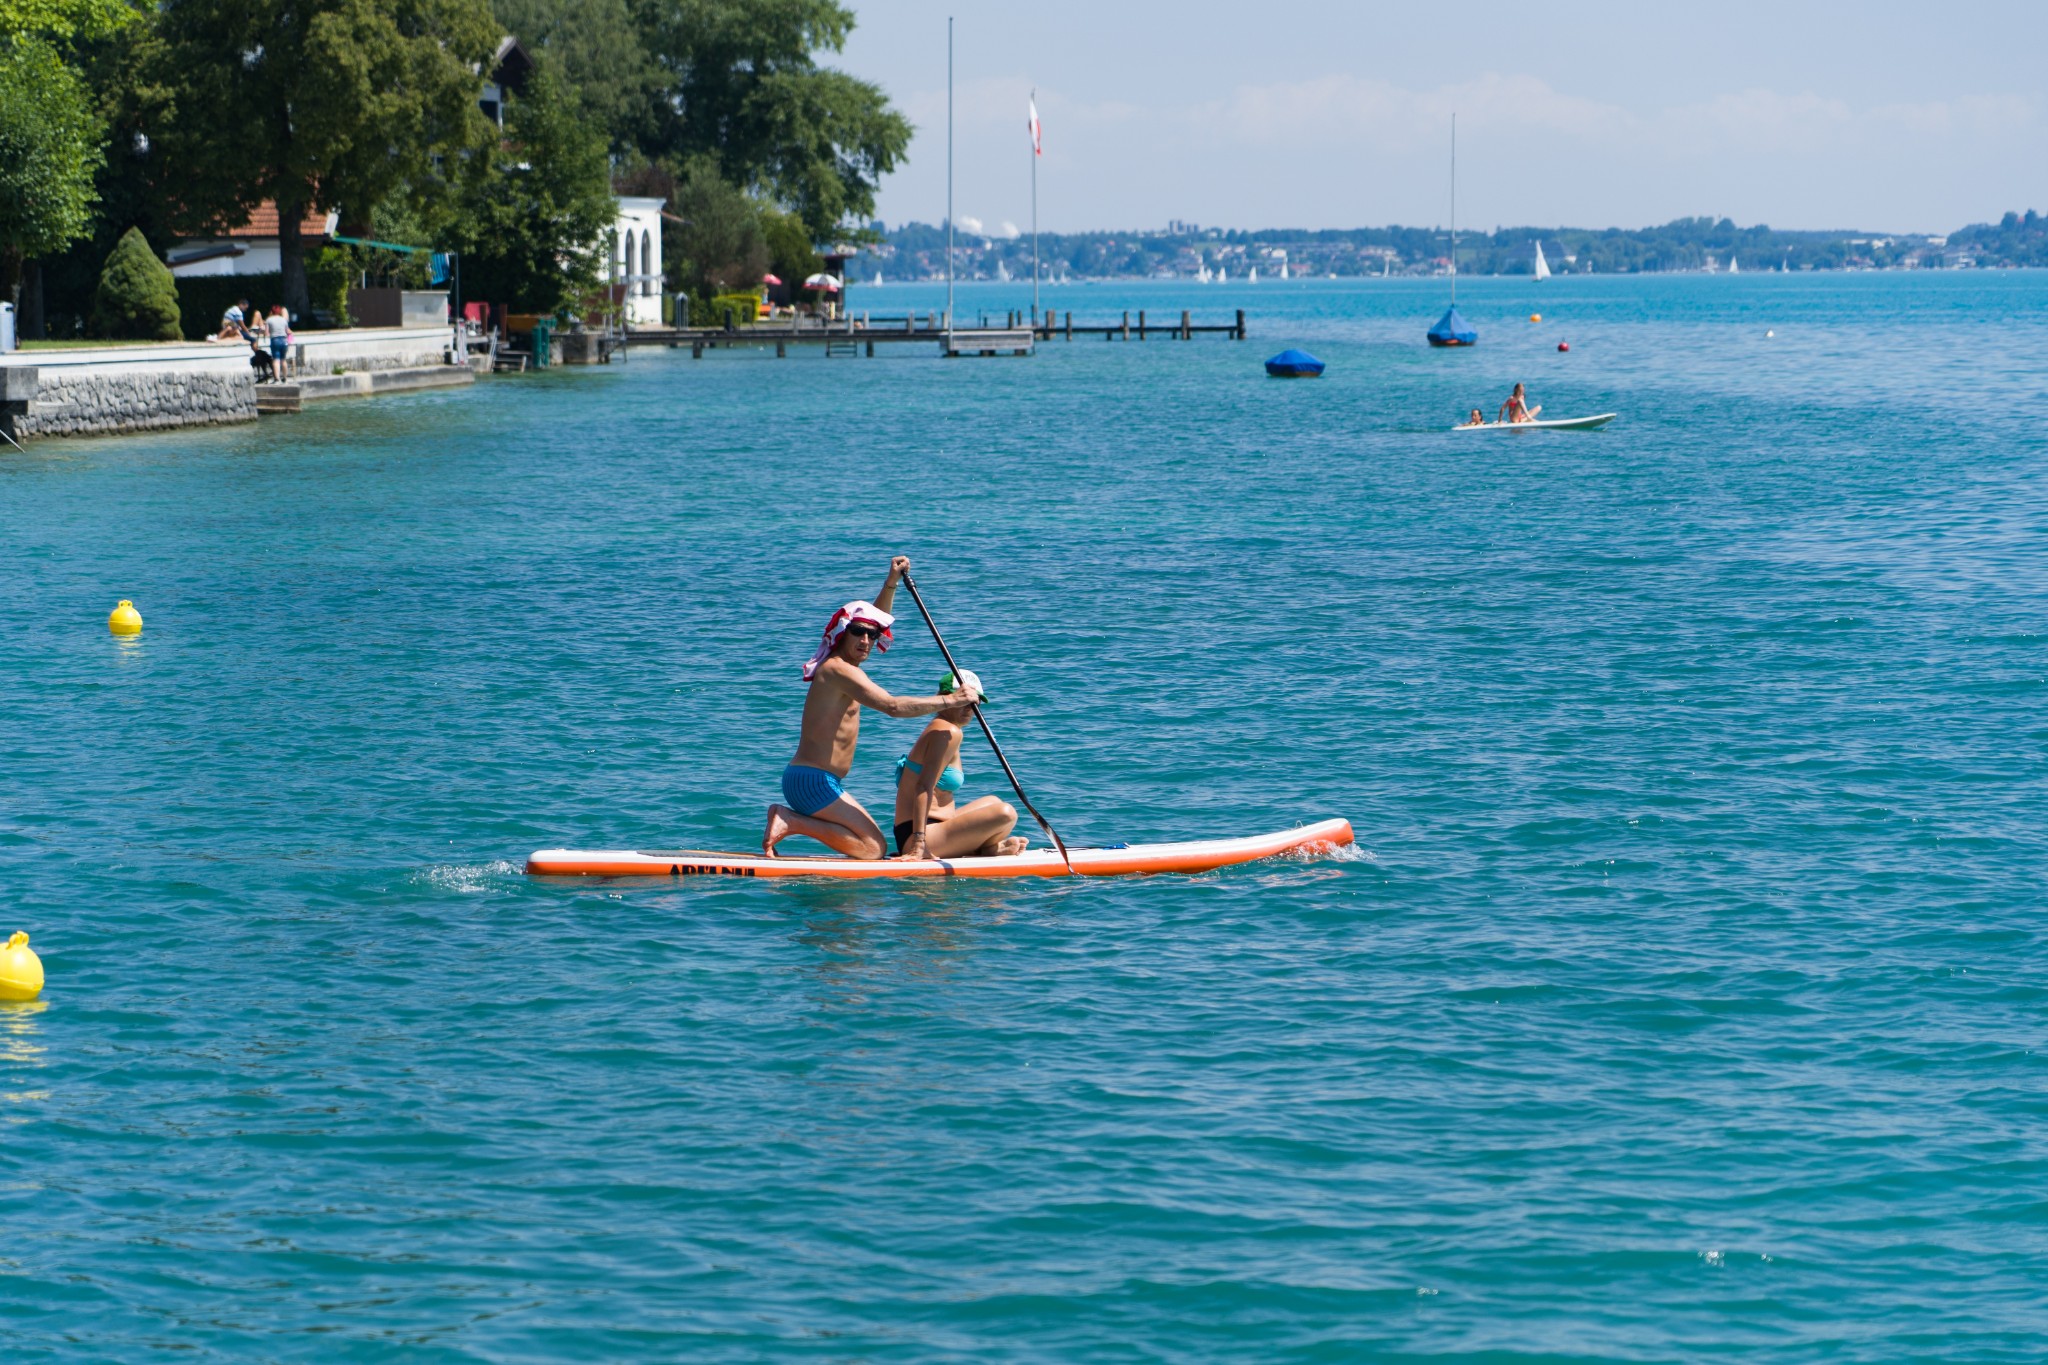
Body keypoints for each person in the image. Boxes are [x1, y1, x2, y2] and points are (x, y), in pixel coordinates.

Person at [763, 556, 985, 859]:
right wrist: (951, 700)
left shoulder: (849, 668)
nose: (866, 640)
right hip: (811, 780)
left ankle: (792, 820)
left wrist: (891, 582)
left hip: (821, 780)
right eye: (858, 632)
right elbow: (892, 706)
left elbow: (875, 617)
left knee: (873, 846)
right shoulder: (836, 670)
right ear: (842, 633)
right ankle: (791, 820)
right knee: (872, 849)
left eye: (872, 634)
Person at [891, 669, 1027, 860]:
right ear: (945, 699)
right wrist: (918, 846)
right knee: (1006, 813)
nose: (968, 708)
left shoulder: (942, 726)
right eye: (962, 700)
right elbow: (923, 786)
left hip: (937, 825)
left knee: (993, 801)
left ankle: (983, 849)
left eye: (973, 703)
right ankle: (979, 848)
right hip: (921, 833)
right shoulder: (948, 732)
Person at [264, 305, 292, 380]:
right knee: (283, 359)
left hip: (275, 340)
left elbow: (266, 333)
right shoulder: (284, 320)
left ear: (271, 312)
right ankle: (285, 377)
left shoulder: (269, 320)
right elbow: (288, 331)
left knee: (276, 360)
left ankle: (277, 378)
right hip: (284, 340)